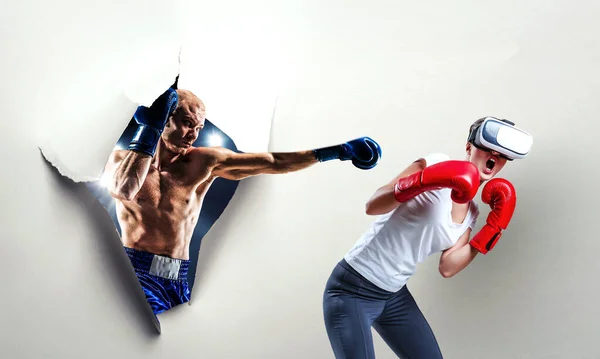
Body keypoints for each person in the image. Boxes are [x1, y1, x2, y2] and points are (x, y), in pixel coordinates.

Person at [102, 87, 382, 315]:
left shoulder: (204, 162)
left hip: (176, 277)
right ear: (164, 119)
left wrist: (337, 151)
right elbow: (124, 189)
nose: (193, 134)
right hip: (131, 272)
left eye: (198, 127)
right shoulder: (120, 160)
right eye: (187, 123)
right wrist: (150, 129)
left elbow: (272, 161)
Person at [322, 116, 533, 358]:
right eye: (487, 149)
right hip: (353, 288)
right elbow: (373, 205)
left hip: (393, 295)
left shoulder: (472, 213)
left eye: (502, 156)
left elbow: (448, 267)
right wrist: (418, 183)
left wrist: (493, 228)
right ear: (468, 148)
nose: (494, 157)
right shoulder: (436, 163)